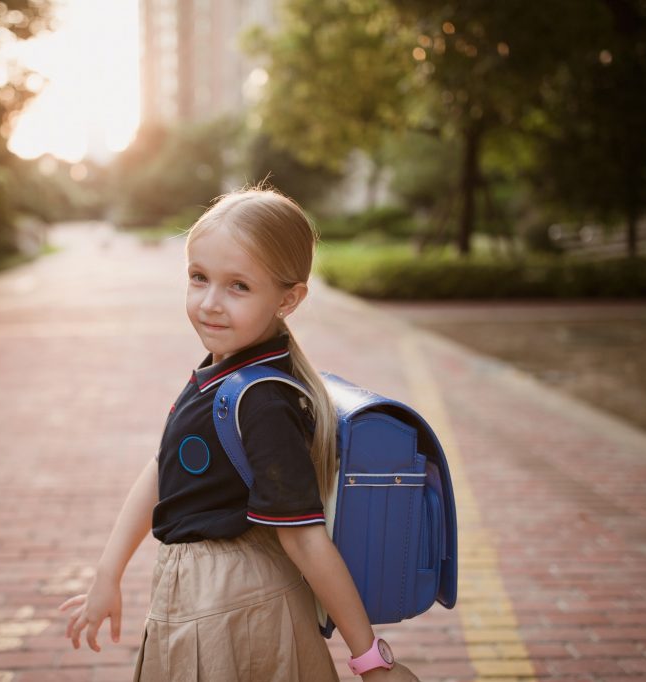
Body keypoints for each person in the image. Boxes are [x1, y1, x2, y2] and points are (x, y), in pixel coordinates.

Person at [59, 187, 419, 681]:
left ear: (288, 299)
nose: (209, 303)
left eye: (238, 287)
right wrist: (108, 574)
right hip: (210, 597)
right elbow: (165, 466)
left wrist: (373, 663)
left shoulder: (262, 401)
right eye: (198, 278)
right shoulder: (227, 371)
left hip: (232, 604)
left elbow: (306, 541)